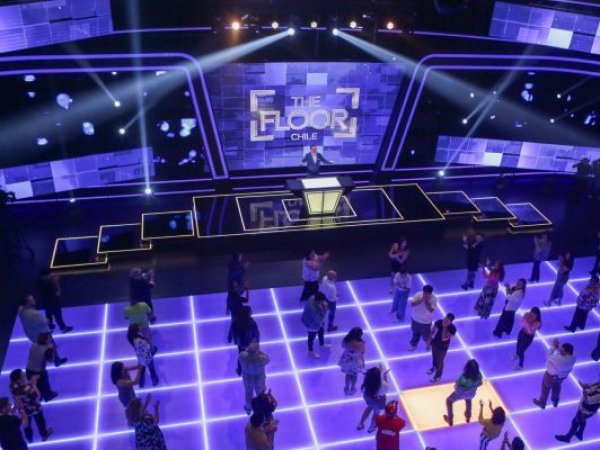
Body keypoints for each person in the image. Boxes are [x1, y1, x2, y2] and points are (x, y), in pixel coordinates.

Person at [9, 369, 52, 443]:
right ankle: (44, 435)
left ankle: (29, 439)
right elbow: (38, 396)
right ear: (19, 379)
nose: (25, 375)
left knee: (27, 426)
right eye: (23, 375)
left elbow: (22, 389)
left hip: (23, 410)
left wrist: (29, 383)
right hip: (35, 408)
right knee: (40, 422)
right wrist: (34, 384)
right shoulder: (28, 388)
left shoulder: (12, 386)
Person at [533, 339, 576, 409]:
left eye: (562, 350)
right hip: (561, 377)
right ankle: (555, 401)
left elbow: (549, 355)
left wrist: (553, 346)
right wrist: (558, 347)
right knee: (556, 387)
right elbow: (562, 353)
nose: (560, 350)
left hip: (550, 376)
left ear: (566, 352)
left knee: (545, 388)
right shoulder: (573, 357)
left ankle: (542, 403)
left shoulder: (559, 359)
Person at [26, 333, 64, 402]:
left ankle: (37, 399)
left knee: (34, 386)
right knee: (44, 384)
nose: (51, 339)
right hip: (39, 371)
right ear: (45, 340)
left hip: (28, 369)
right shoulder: (46, 349)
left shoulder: (33, 344)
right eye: (49, 338)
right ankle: (48, 396)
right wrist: (52, 349)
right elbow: (51, 360)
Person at [444, 359, 483, 426]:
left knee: (449, 401)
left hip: (460, 394)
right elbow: (480, 383)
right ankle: (468, 417)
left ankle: (450, 420)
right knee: (468, 400)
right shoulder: (479, 376)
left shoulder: (463, 377)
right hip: (471, 394)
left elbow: (457, 387)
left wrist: (456, 386)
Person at [36, 269, 73, 333]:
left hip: (46, 303)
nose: (50, 276)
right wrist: (56, 282)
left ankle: (50, 327)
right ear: (45, 276)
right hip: (54, 303)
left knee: (48, 315)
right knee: (58, 316)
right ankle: (63, 328)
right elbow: (58, 292)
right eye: (49, 275)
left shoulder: (40, 283)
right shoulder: (50, 284)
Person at [357, 364, 389, 433]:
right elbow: (386, 390)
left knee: (369, 407)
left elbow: (369, 374)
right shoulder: (382, 384)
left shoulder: (367, 380)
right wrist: (385, 376)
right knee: (376, 413)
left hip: (368, 398)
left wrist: (379, 369)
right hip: (378, 401)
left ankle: (360, 423)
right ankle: (372, 427)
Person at [239, 342, 270, 415]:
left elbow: (240, 361)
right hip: (259, 381)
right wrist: (260, 352)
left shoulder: (242, 355)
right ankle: (259, 411)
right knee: (260, 396)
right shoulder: (261, 359)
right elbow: (268, 359)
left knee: (248, 395)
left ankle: (248, 409)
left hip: (247, 381)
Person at [230, 306, 260, 375]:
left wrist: (235, 341)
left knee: (241, 355)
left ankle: (240, 370)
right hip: (251, 342)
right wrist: (257, 342)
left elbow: (234, 332)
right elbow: (256, 333)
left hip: (241, 343)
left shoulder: (236, 321)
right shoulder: (252, 322)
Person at [127, 324, 159, 389]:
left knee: (142, 371)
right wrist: (149, 339)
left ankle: (141, 384)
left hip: (140, 358)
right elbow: (148, 347)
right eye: (138, 329)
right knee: (151, 369)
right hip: (147, 357)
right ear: (136, 331)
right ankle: (155, 381)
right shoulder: (140, 341)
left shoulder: (132, 339)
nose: (140, 330)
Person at [301, 292, 331, 358]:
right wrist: (325, 307)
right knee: (311, 338)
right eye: (322, 301)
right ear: (318, 301)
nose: (324, 302)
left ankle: (322, 344)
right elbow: (319, 319)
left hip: (316, 321)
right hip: (311, 324)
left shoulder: (313, 297)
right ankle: (310, 352)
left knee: (321, 331)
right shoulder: (312, 309)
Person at [427, 313, 457, 382]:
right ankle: (434, 367)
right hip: (435, 343)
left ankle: (438, 376)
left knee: (440, 361)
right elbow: (432, 331)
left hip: (443, 347)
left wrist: (445, 327)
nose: (445, 321)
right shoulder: (439, 322)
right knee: (434, 357)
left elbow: (444, 338)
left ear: (451, 322)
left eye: (447, 320)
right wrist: (429, 340)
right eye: (445, 318)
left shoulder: (452, 329)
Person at [408, 285, 437, 351]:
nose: (426, 295)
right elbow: (412, 304)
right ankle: (413, 345)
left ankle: (429, 345)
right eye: (425, 293)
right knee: (415, 334)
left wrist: (426, 302)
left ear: (430, 293)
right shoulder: (418, 294)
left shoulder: (434, 299)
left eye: (428, 294)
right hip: (415, 319)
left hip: (425, 322)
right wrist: (421, 300)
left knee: (426, 336)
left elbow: (431, 310)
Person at [338, 327, 365, 395]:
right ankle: (353, 388)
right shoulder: (360, 343)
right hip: (356, 360)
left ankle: (346, 388)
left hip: (346, 358)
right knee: (354, 375)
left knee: (348, 374)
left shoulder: (345, 339)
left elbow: (342, 346)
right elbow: (363, 352)